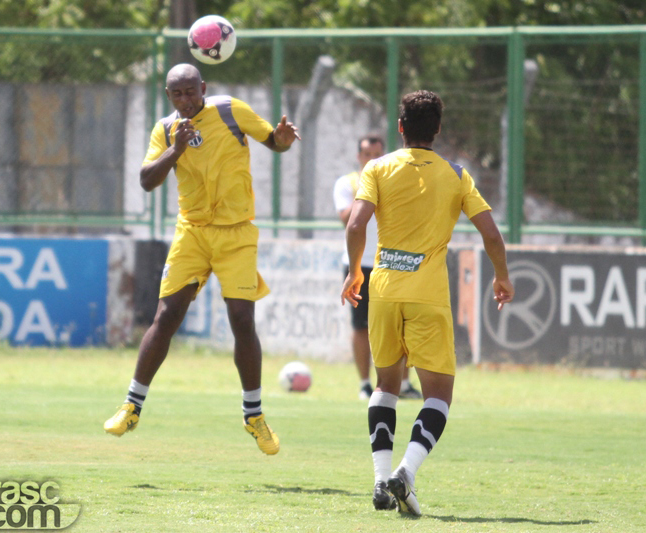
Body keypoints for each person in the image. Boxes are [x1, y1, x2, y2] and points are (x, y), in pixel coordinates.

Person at [104, 63, 300, 456]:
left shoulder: (230, 111)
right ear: (168, 96)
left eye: (191, 91)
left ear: (203, 88)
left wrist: (282, 141)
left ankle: (254, 415)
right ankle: (131, 406)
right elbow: (146, 180)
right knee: (167, 316)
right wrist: (175, 149)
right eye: (177, 94)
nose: (185, 100)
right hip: (191, 232)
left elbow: (274, 141)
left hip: (236, 233)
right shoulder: (165, 130)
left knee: (242, 319)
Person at [341, 90, 514, 515]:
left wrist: (355, 270)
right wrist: (502, 276)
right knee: (438, 396)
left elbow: (356, 225)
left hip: (383, 289)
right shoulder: (456, 175)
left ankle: (381, 481)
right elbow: (491, 234)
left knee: (385, 385)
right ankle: (405, 472)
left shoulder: (377, 168)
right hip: (428, 295)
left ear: (400, 127)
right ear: (437, 129)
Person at [333, 135, 421, 401]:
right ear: (359, 157)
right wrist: (367, 187)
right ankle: (364, 384)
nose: (371, 159)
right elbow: (347, 219)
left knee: (400, 325)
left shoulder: (394, 180)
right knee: (361, 326)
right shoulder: (347, 183)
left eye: (377, 154)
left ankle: (403, 384)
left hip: (391, 262)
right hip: (358, 265)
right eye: (367, 154)